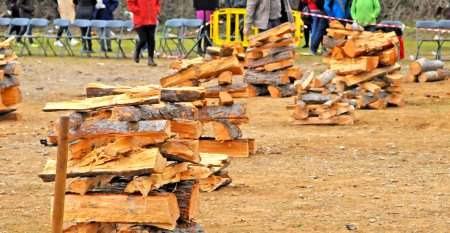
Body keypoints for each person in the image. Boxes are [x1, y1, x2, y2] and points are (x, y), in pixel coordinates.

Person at [127, 0, 160, 66]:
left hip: (152, 19)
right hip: (140, 20)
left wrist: (156, 11)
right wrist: (137, 10)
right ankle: (137, 51)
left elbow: (157, 3)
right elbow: (130, 3)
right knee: (143, 40)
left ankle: (150, 59)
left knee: (151, 40)